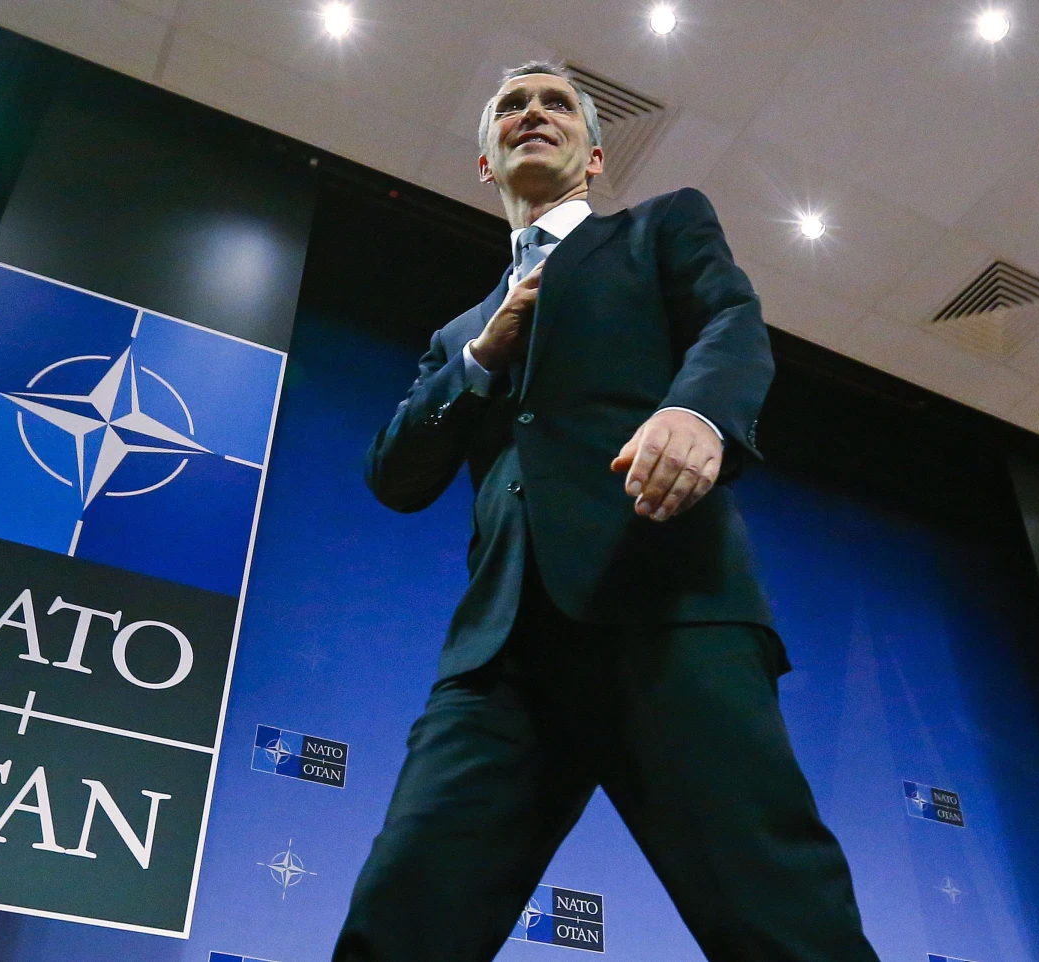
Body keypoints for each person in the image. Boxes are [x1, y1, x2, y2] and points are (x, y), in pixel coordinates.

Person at [333, 61, 879, 962]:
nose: (532, 113)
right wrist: (478, 357)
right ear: (485, 162)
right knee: (401, 917)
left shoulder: (661, 228)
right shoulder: (457, 333)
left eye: (557, 104)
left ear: (592, 154)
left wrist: (697, 411)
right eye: (511, 106)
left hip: (670, 614)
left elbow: (730, 323)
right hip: (500, 655)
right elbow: (396, 476)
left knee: (784, 923)